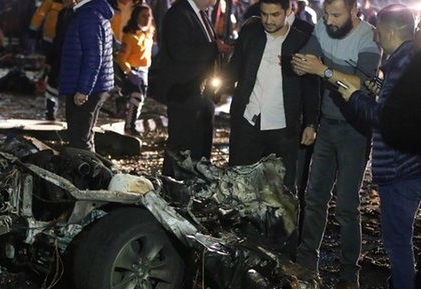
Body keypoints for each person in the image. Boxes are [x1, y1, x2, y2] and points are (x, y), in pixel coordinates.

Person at [336, 4, 421, 289]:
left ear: (388, 31)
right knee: (398, 237)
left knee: (398, 239)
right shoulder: (404, 63)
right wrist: (376, 89)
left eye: (378, 31)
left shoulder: (402, 66)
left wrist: (354, 95)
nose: (375, 36)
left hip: (400, 169)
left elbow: (382, 119)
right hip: (408, 164)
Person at [291, 0, 381, 289]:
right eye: (327, 13)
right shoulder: (322, 27)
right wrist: (303, 64)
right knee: (314, 197)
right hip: (327, 124)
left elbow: (364, 84)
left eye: (336, 15)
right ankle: (306, 266)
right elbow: (305, 60)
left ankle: (348, 275)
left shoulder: (368, 37)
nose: (329, 21)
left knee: (346, 205)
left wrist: (324, 71)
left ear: (354, 12)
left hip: (354, 130)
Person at [226, 0, 319, 192]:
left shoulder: (302, 41)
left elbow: (311, 87)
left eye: (275, 15)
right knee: (240, 184)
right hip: (248, 121)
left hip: (283, 127)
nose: (268, 20)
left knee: (280, 191)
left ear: (288, 12)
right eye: (264, 14)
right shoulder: (251, 34)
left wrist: (311, 123)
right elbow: (235, 67)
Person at [155, 0, 220, 176]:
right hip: (184, 91)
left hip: (203, 91)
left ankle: (196, 181)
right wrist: (213, 48)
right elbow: (179, 51)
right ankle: (174, 185)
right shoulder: (179, 14)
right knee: (182, 144)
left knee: (200, 142)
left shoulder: (201, 14)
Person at [58, 0, 114, 152]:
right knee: (84, 137)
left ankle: (88, 173)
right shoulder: (91, 13)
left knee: (79, 140)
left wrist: (83, 89)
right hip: (92, 84)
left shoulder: (88, 16)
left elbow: (93, 56)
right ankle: (93, 171)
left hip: (86, 86)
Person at [116, 4, 155, 136]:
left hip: (144, 71)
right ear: (136, 17)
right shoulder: (130, 35)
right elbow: (122, 58)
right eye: (143, 16)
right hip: (133, 71)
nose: (146, 19)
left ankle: (129, 121)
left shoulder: (149, 32)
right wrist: (129, 72)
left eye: (148, 16)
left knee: (139, 100)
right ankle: (129, 126)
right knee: (136, 97)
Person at [43, 0, 76, 121]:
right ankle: (50, 111)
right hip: (60, 52)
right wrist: (50, 57)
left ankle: (73, 117)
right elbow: (57, 36)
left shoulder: (79, 13)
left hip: (73, 54)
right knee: (52, 82)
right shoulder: (63, 12)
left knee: (72, 86)